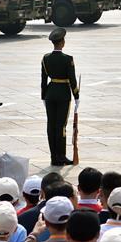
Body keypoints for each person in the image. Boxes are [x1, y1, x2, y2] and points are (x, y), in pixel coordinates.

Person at [41, 28, 80, 167]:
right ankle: (61, 156)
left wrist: (43, 97)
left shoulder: (45, 58)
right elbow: (72, 80)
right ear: (62, 42)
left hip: (50, 94)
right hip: (63, 94)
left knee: (51, 126)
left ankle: (53, 156)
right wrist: (76, 95)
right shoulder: (67, 59)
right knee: (61, 126)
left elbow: (43, 80)